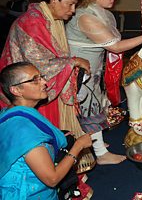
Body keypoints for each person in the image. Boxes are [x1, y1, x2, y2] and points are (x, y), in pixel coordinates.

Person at [66, 0, 142, 165]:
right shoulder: (86, 17)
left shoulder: (100, 13)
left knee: (96, 105)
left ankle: (94, 141)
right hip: (80, 73)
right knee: (89, 108)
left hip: (93, 69)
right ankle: (101, 154)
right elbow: (115, 46)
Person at [0, 0, 90, 132]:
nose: (73, 10)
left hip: (37, 86)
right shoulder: (32, 23)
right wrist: (73, 61)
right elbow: (39, 65)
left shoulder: (48, 18)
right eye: (70, 4)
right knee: (39, 134)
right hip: (25, 90)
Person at [0, 62, 92, 199]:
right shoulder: (23, 130)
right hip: (27, 193)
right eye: (35, 80)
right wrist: (78, 146)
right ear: (16, 90)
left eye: (41, 77)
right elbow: (52, 179)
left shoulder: (11, 111)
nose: (45, 82)